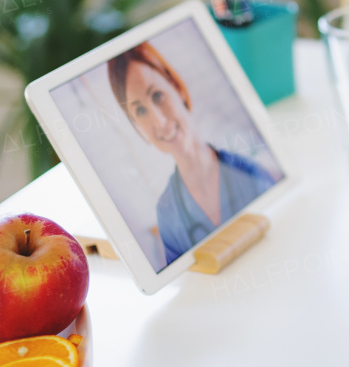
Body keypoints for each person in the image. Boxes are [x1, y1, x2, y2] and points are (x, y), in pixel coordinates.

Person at [108, 42, 275, 266]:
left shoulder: (247, 171)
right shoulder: (167, 213)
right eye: (140, 111)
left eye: (157, 96)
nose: (159, 121)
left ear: (177, 88)